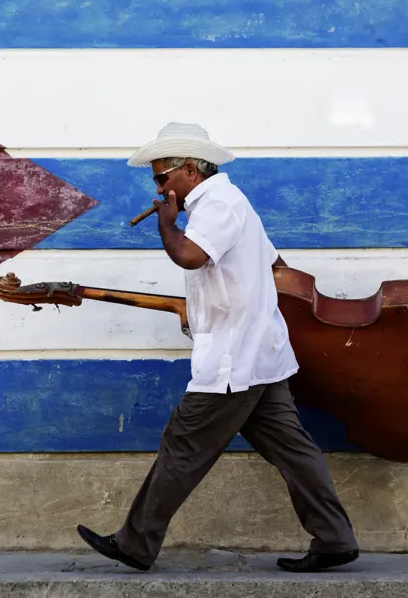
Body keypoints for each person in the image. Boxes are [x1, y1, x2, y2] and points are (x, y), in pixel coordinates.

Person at [76, 122, 359, 573]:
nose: (159, 187)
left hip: (233, 359)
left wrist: (168, 226)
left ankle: (135, 543)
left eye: (161, 177)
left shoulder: (217, 204)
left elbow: (191, 256)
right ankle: (334, 539)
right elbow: (275, 264)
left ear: (189, 169)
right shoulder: (231, 203)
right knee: (293, 450)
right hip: (259, 354)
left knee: (183, 446)